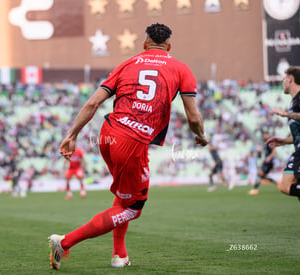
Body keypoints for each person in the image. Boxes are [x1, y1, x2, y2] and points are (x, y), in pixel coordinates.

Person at [48, 23, 208, 270]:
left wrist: (72, 134)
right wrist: (201, 137)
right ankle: (65, 242)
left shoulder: (127, 64)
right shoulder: (181, 69)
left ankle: (119, 256)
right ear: (169, 46)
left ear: (144, 44)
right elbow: (194, 118)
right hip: (132, 142)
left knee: (123, 198)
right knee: (133, 208)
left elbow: (92, 104)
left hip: (108, 134)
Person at [266, 66, 300, 209]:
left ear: (290, 79)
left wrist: (286, 115)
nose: (283, 83)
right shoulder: (294, 102)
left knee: (285, 185)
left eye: (284, 79)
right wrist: (284, 141)